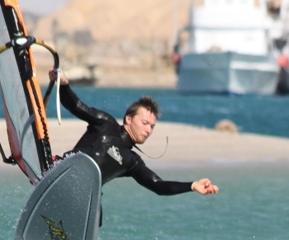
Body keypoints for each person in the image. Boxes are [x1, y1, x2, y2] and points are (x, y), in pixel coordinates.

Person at [49, 69, 219, 197]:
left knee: (97, 213)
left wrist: (192, 185)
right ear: (128, 119)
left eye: (152, 126)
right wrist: (63, 84)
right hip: (60, 175)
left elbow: (158, 185)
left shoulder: (132, 162)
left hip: (83, 196)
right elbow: (76, 106)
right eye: (145, 123)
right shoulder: (105, 123)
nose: (148, 130)